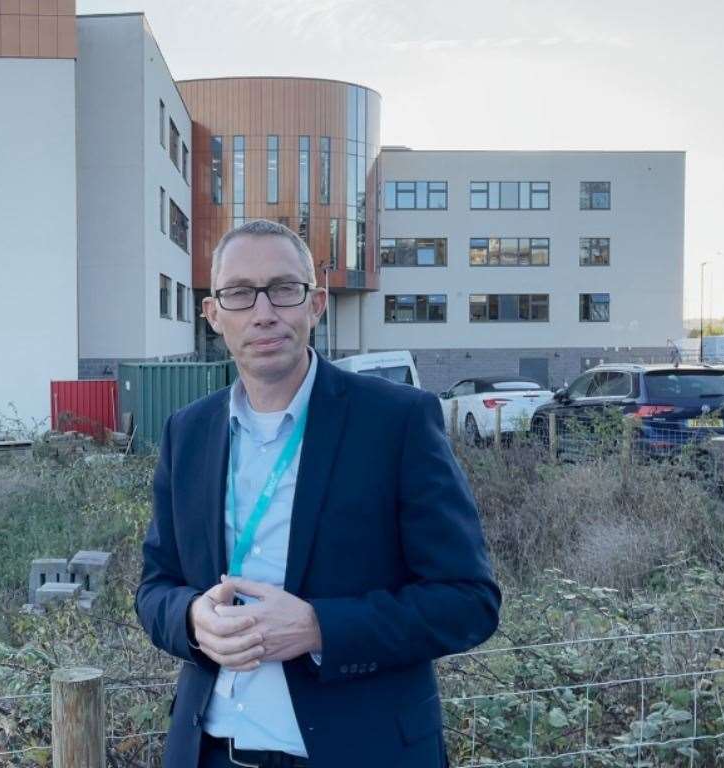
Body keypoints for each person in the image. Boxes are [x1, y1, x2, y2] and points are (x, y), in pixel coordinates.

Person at [136, 219, 501, 767]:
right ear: (213, 315)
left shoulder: (394, 422)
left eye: (284, 289)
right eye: (239, 293)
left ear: (316, 304)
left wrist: (318, 628)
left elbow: (469, 601)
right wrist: (191, 619)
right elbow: (154, 588)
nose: (264, 312)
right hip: (209, 752)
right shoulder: (186, 433)